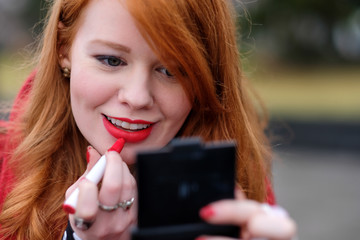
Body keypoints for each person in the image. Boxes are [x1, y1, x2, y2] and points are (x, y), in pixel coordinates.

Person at [0, 0, 296, 239]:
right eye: (111, 60)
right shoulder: (4, 161)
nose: (138, 97)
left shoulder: (233, 180)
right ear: (64, 49)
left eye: (171, 71)